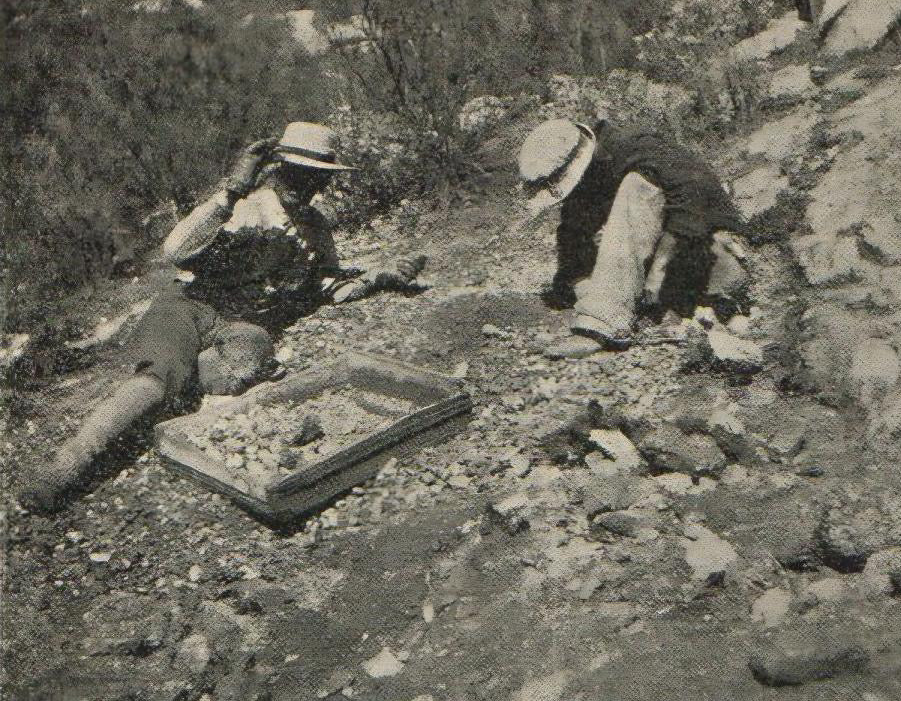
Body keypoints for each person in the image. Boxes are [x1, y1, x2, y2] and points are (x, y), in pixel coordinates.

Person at [20, 122, 424, 512]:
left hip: (243, 322)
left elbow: (323, 287)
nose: (310, 186)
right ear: (280, 170)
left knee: (247, 357)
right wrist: (231, 190)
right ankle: (65, 467)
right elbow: (176, 251)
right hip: (190, 305)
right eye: (301, 175)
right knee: (153, 384)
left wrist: (377, 279)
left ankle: (199, 374)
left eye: (319, 178)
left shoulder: (316, 227)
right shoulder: (242, 205)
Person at [517, 117, 750, 359]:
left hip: (712, 256)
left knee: (637, 186)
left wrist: (659, 269)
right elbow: (572, 235)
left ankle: (602, 324)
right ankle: (647, 309)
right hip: (671, 282)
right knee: (594, 227)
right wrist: (581, 282)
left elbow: (698, 200)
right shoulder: (591, 174)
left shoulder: (639, 148)